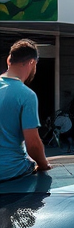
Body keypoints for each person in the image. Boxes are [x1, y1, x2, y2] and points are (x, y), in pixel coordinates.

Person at [0, 39, 51, 180]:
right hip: (10, 171)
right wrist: (43, 164)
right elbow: (33, 144)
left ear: (9, 60)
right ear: (32, 63)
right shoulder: (26, 95)